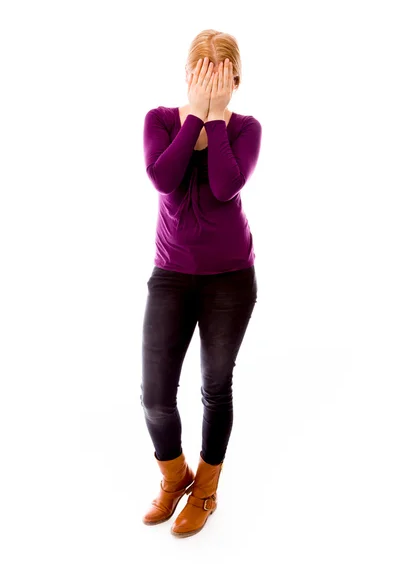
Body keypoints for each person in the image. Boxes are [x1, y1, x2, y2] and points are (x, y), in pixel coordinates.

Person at [140, 29, 262, 538]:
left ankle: (207, 490)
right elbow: (164, 179)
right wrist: (194, 115)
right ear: (189, 76)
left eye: (222, 75)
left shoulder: (247, 129)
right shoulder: (162, 122)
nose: (213, 83)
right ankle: (176, 478)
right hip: (171, 277)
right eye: (203, 73)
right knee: (154, 396)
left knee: (215, 385)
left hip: (230, 280)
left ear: (235, 78)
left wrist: (214, 116)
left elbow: (223, 185)